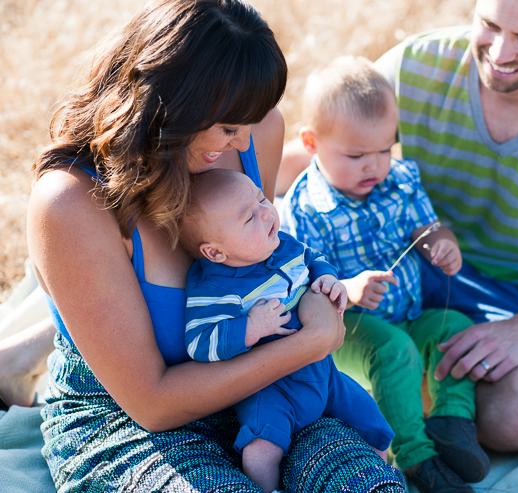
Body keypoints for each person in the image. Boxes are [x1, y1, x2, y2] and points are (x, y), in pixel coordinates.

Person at [25, 1, 405, 491]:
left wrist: (318, 295)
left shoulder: (257, 131)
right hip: (130, 422)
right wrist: (312, 342)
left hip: (273, 392)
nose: (241, 141)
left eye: (248, 123)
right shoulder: (71, 202)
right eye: (229, 126)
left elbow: (266, 262)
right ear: (173, 104)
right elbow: (152, 404)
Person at [278, 0, 518, 455]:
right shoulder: (418, 65)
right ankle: (404, 412)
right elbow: (337, 144)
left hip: (510, 303)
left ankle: (406, 415)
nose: (499, 51)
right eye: (489, 25)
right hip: (396, 268)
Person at [280, 56, 489, 493]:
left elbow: (427, 227)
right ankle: (416, 457)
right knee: (394, 351)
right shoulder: (306, 208)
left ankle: (453, 421)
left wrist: (441, 244)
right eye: (356, 155)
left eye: (383, 150)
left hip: (408, 310)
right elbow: (304, 289)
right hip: (349, 327)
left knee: (455, 327)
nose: (373, 166)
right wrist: (350, 290)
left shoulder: (399, 179)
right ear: (312, 143)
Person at [181, 169, 394, 492]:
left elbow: (313, 258)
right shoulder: (216, 286)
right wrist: (250, 328)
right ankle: (267, 487)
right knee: (260, 449)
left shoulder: (283, 246)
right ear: (215, 252)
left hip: (325, 375)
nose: (266, 213)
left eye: (262, 198)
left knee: (374, 424)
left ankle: (383, 469)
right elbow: (199, 342)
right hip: (273, 389)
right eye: (249, 218)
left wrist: (326, 277)